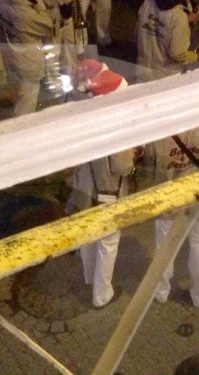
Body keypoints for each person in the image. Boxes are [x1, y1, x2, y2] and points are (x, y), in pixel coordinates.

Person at [69, 59, 139, 308]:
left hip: (82, 185)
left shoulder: (77, 108)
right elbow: (122, 166)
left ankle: (89, 277)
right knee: (108, 243)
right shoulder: (114, 123)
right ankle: (101, 294)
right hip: (108, 189)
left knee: (88, 234)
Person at [146, 122, 199, 307]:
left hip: (169, 202)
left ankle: (161, 292)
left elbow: (149, 171)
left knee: (164, 249)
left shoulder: (158, 133)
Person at [0, 0, 57, 115]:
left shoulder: (1, 2)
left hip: (8, 61)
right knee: (25, 109)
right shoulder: (28, 15)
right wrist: (38, 3)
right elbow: (48, 26)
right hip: (28, 67)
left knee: (14, 101)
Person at [135, 0, 198, 81]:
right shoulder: (179, 16)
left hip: (142, 69)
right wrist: (192, 56)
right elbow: (177, 53)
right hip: (166, 77)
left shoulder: (148, 2)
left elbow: (137, 33)